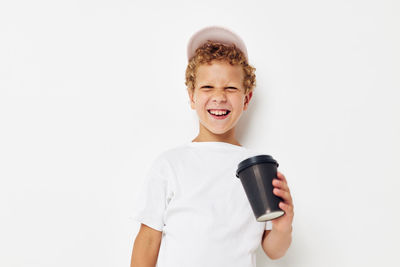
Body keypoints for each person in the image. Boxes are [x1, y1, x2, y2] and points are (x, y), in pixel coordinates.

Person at [130, 25, 294, 267]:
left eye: (230, 88)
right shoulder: (170, 164)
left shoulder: (258, 169)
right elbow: (147, 240)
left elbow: (274, 251)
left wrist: (283, 226)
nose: (219, 96)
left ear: (246, 98)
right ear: (192, 96)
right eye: (207, 87)